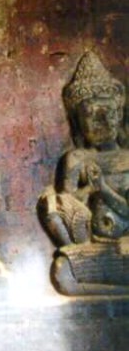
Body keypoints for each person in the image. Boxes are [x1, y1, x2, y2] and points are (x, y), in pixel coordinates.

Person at [38, 52, 129, 246]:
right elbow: (69, 205)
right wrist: (89, 189)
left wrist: (102, 189)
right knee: (53, 202)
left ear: (119, 115)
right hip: (89, 238)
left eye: (108, 112)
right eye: (91, 114)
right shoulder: (77, 158)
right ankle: (75, 251)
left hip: (125, 241)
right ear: (77, 121)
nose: (102, 121)